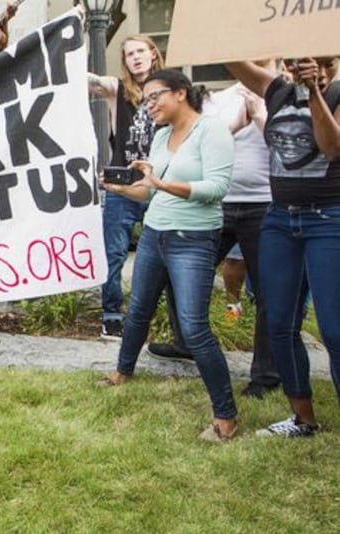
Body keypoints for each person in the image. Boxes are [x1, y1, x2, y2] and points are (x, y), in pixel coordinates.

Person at [97, 70, 237, 442]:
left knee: (193, 327)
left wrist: (159, 182)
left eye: (155, 96)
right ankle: (122, 372)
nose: (149, 105)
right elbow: (150, 193)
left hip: (192, 240)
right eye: (145, 100)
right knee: (138, 309)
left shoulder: (211, 131)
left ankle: (225, 415)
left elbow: (216, 188)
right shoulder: (161, 135)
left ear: (180, 93)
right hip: (154, 235)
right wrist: (118, 189)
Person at [147, 59, 281, 399]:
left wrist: (261, 116)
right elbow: (205, 144)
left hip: (264, 204)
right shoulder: (216, 99)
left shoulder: (284, 95)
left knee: (266, 290)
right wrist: (233, 124)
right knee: (175, 271)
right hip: (217, 204)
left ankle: (265, 375)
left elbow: (291, 150)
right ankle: (185, 342)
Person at [226, 56, 340, 437]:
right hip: (279, 219)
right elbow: (231, 57)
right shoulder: (276, 90)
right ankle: (303, 419)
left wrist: (314, 94)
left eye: (320, 60)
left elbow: (332, 148)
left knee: (334, 330)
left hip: (328, 219)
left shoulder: (337, 92)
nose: (304, 65)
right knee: (279, 323)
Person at [87, 35, 164, 340]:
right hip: (123, 186)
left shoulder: (171, 90)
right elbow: (87, 80)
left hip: (160, 184)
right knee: (114, 253)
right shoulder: (118, 89)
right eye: (130, 54)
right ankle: (112, 315)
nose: (136, 57)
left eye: (140, 51)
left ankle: (159, 315)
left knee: (164, 252)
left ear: (153, 54)